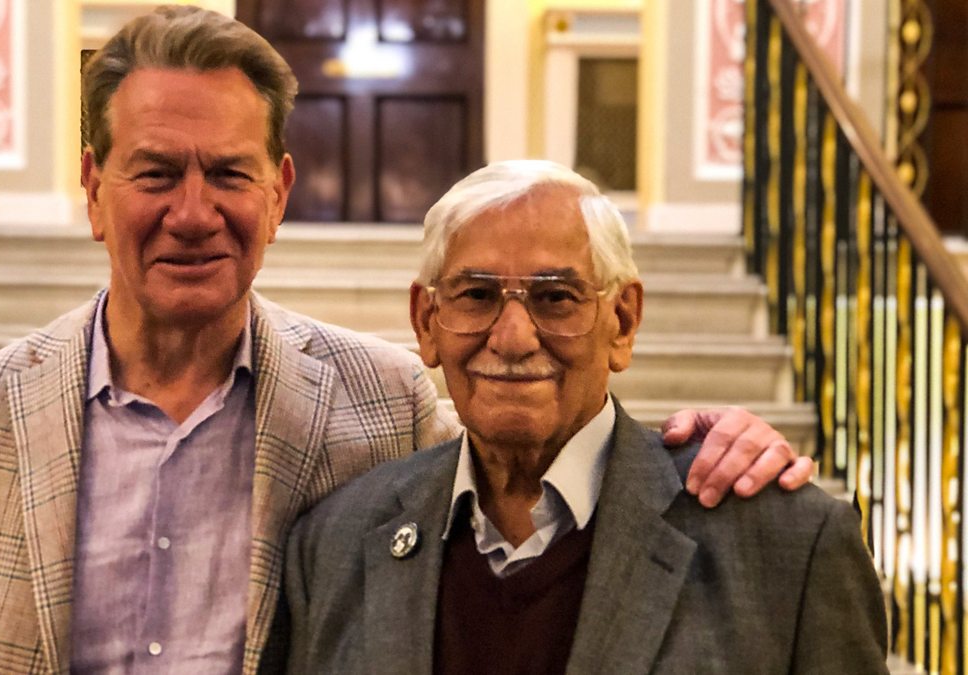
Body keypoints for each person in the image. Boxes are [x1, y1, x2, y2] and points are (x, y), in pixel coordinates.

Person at [0, 7, 813, 674]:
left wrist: (719, 445)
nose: (194, 213)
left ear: (279, 193)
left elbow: (544, 453)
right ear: (93, 189)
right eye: (156, 172)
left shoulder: (383, 400)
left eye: (230, 174)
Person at [280, 160, 888, 674]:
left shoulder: (787, 544)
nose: (512, 339)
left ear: (622, 322)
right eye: (477, 296)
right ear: (426, 322)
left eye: (555, 298)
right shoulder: (334, 544)